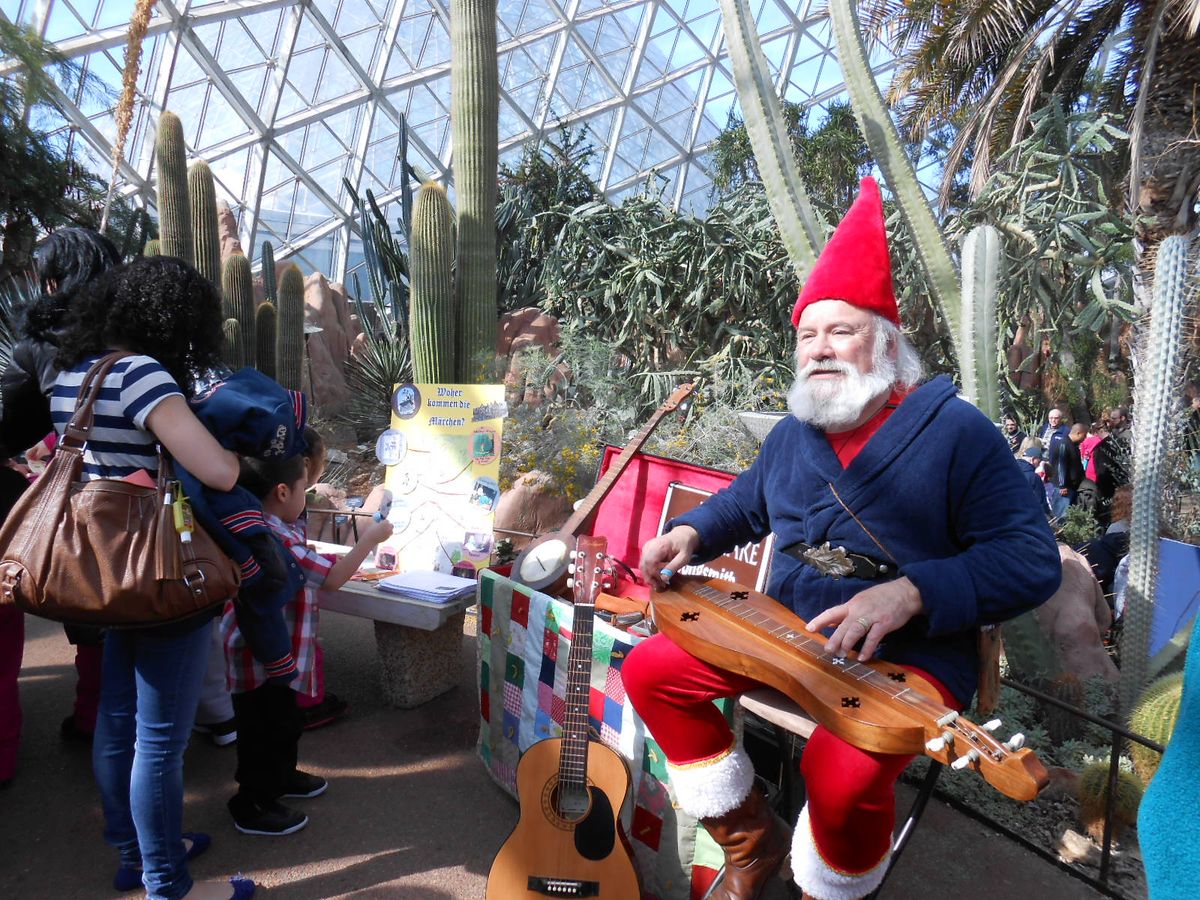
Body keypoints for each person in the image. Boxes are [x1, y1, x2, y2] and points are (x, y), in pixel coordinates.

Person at [622, 178, 1062, 900]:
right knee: (651, 672)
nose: (819, 350)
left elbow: (1031, 559)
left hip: (910, 656)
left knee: (841, 769)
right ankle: (751, 841)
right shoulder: (799, 432)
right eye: (807, 336)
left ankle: (828, 892)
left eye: (841, 331)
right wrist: (692, 530)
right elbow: (747, 502)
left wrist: (913, 590)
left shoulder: (960, 434)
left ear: (886, 342)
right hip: (789, 634)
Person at [50, 256, 254, 899]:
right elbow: (217, 472)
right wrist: (240, 453)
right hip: (160, 572)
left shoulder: (70, 375)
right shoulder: (142, 377)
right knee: (159, 740)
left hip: (104, 571)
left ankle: (133, 852)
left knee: (117, 719)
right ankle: (169, 884)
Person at [221, 453, 392, 836]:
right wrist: (368, 540)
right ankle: (251, 802)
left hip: (277, 654)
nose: (308, 493)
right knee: (259, 732)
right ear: (282, 492)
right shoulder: (270, 536)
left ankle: (281, 777)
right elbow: (330, 579)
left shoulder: (275, 523)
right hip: (257, 656)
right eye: (304, 487)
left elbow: (308, 558)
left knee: (283, 721)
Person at [0, 228, 125, 748]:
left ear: (57, 280)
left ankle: (95, 719)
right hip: (144, 488)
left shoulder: (45, 344)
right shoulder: (137, 335)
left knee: (88, 599)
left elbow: (22, 420)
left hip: (86, 494)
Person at [295, 426, 350, 730]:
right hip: (294, 620)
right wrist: (369, 542)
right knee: (305, 649)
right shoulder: (282, 524)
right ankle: (310, 705)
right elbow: (331, 579)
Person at [1018, 446, 1053, 517]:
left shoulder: (1011, 469)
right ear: (1034, 459)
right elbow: (1041, 503)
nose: (1039, 465)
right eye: (1039, 461)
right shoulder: (1033, 477)